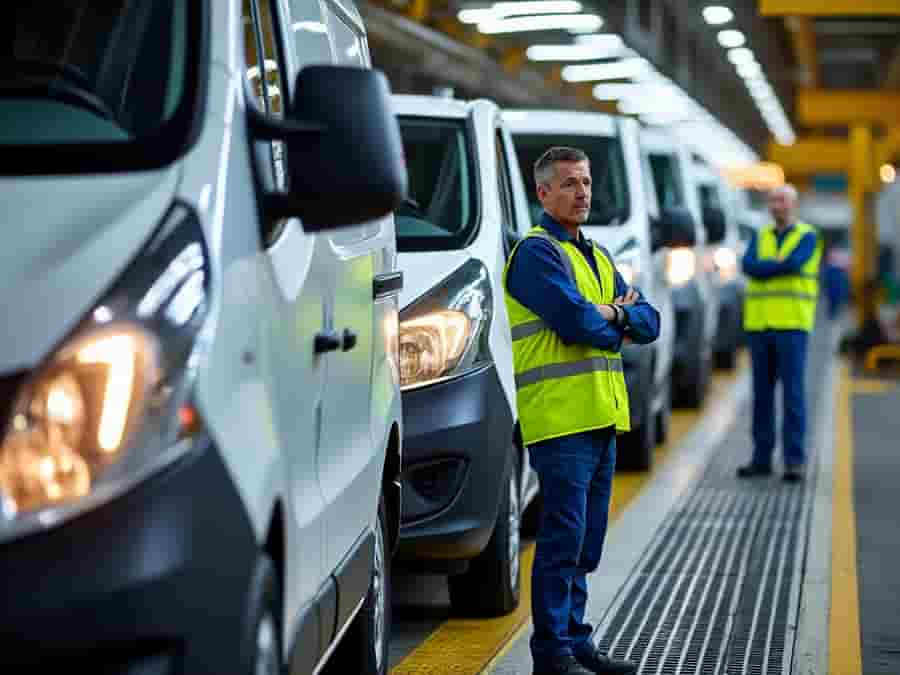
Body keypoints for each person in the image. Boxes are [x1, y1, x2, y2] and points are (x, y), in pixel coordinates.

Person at [504, 146, 660, 675]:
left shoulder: (595, 255)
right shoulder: (535, 254)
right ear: (543, 193)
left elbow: (651, 320)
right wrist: (620, 319)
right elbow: (575, 323)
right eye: (570, 183)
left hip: (601, 415)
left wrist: (614, 311)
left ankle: (577, 639)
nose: (583, 193)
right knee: (563, 536)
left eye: (587, 182)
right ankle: (552, 653)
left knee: (588, 539)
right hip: (560, 418)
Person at [738, 184, 822, 482]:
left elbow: (795, 264)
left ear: (793, 204)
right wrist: (775, 267)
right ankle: (761, 459)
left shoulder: (807, 235)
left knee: (793, 396)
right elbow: (747, 266)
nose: (778, 205)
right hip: (760, 327)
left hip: (792, 327)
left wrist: (767, 267)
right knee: (761, 397)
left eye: (783, 200)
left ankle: (794, 462)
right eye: (774, 200)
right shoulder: (760, 235)